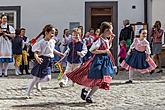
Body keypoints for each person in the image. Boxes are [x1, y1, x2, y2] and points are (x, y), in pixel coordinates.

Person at [66, 22, 115, 103]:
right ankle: (86, 90)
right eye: (109, 30)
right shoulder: (99, 40)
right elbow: (92, 50)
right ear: (104, 31)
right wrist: (104, 51)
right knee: (96, 78)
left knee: (101, 80)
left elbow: (108, 47)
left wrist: (111, 41)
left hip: (105, 61)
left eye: (111, 30)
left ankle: (89, 95)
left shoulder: (106, 39)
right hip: (98, 61)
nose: (111, 32)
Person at [26, 24, 64, 98]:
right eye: (52, 33)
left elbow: (52, 49)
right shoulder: (41, 42)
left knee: (48, 78)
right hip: (42, 61)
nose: (53, 34)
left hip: (49, 61)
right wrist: (37, 58)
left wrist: (59, 53)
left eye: (54, 33)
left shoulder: (53, 41)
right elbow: (36, 53)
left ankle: (38, 83)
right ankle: (28, 93)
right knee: (35, 78)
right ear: (46, 33)